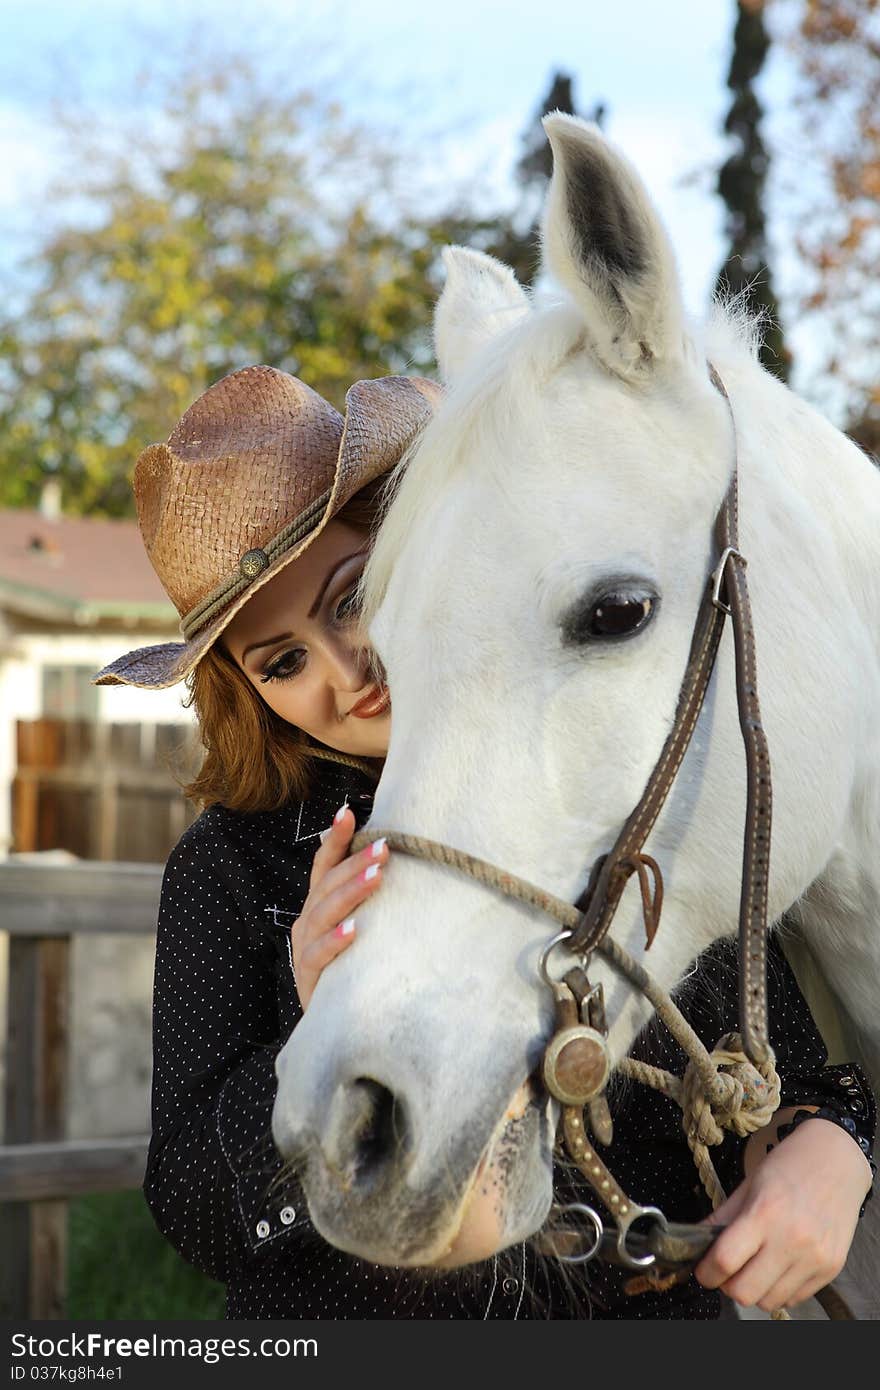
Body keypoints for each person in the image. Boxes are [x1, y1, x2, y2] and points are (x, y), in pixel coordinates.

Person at [95, 364, 876, 1320]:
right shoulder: (231, 866)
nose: (346, 670)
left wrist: (833, 1152)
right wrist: (317, 1028)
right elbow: (190, 1204)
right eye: (284, 661)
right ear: (248, 694)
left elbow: (779, 1074)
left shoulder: (610, 788)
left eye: (350, 598)